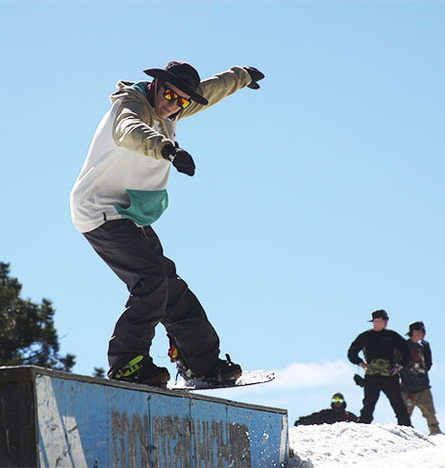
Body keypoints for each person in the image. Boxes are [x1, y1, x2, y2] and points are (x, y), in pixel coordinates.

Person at [69, 61, 265, 386]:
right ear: (157, 84)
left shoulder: (171, 110)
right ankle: (127, 362)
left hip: (129, 215)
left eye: (182, 102)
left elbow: (210, 90)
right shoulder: (131, 106)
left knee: (170, 288)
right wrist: (167, 149)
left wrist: (241, 77)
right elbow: (129, 131)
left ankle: (200, 364)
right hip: (99, 211)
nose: (172, 105)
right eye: (170, 95)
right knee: (151, 279)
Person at [347, 309, 412, 426]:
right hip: (372, 376)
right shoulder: (365, 336)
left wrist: (399, 366)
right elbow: (351, 353)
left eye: (386, 320)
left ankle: (407, 428)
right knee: (368, 404)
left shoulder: (392, 336)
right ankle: (362, 429)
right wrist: (361, 363)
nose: (385, 322)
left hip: (390, 375)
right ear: (375, 321)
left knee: (398, 404)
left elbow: (406, 351)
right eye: (383, 320)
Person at [399, 321, 442, 435]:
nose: (424, 334)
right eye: (422, 331)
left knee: (430, 413)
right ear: (414, 332)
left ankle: (436, 433)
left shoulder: (424, 346)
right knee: (404, 415)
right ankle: (404, 436)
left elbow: (428, 364)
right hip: (407, 388)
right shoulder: (404, 346)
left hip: (423, 386)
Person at [294, 392, 358, 426]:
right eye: (335, 399)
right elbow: (313, 418)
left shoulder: (349, 416)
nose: (338, 402)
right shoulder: (326, 414)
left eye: (340, 400)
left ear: (343, 402)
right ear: (332, 402)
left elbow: (360, 425)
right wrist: (302, 420)